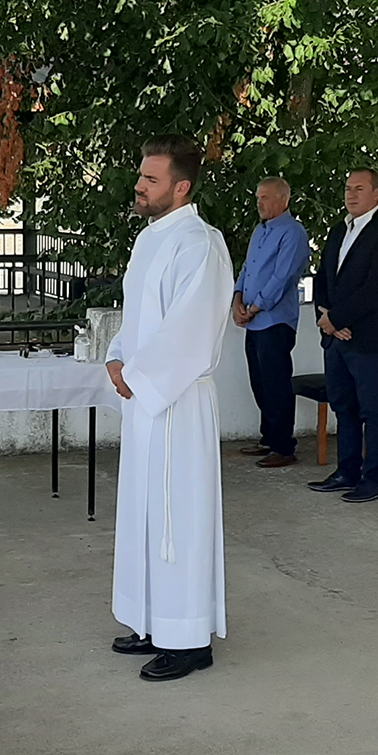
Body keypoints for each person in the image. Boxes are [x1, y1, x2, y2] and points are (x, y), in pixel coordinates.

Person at [104, 135, 235, 682]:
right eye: (141, 176)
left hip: (177, 405)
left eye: (151, 179)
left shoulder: (200, 245)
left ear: (181, 187)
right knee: (144, 513)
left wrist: (139, 376)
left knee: (177, 519)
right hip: (145, 401)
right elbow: (137, 319)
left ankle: (188, 639)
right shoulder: (150, 240)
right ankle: (153, 622)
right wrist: (117, 357)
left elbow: (192, 331)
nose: (139, 185)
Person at [307, 168, 378, 503]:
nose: (351, 195)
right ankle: (346, 471)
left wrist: (337, 318)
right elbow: (322, 277)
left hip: (368, 340)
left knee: (372, 410)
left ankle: (372, 479)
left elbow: (376, 290)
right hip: (336, 337)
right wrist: (326, 316)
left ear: (377, 193)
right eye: (348, 188)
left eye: (360, 189)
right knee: (343, 407)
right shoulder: (339, 230)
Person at [233, 177, 311, 468]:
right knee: (259, 382)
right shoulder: (259, 231)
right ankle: (268, 438)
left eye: (266, 197)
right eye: (258, 198)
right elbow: (247, 268)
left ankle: (283, 446)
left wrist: (255, 306)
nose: (260, 204)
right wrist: (237, 300)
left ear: (284, 199)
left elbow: (283, 277)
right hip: (253, 320)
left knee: (276, 383)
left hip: (275, 321)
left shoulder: (293, 233)